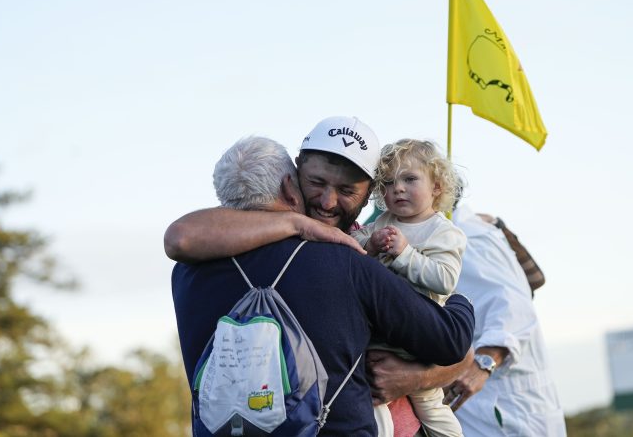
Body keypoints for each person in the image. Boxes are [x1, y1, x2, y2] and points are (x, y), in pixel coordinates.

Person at [165, 116, 473, 436]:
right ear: (293, 179)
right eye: (316, 183)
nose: (327, 202)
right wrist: (460, 301)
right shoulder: (349, 260)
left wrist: (417, 378)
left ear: (370, 192)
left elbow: (462, 356)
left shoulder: (189, 269)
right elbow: (451, 340)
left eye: (346, 189)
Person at [352, 139, 466, 437]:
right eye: (388, 183)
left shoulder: (444, 232)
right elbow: (351, 249)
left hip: (418, 342)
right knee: (373, 405)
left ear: (437, 187)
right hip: (376, 337)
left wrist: (405, 255)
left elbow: (445, 280)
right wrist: (370, 244)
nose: (398, 188)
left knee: (432, 409)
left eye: (410, 179)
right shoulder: (383, 222)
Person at [442, 204, 566, 436]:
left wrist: (483, 365)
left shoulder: (465, 235)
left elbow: (515, 306)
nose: (397, 190)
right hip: (487, 405)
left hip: (502, 407)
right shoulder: (461, 230)